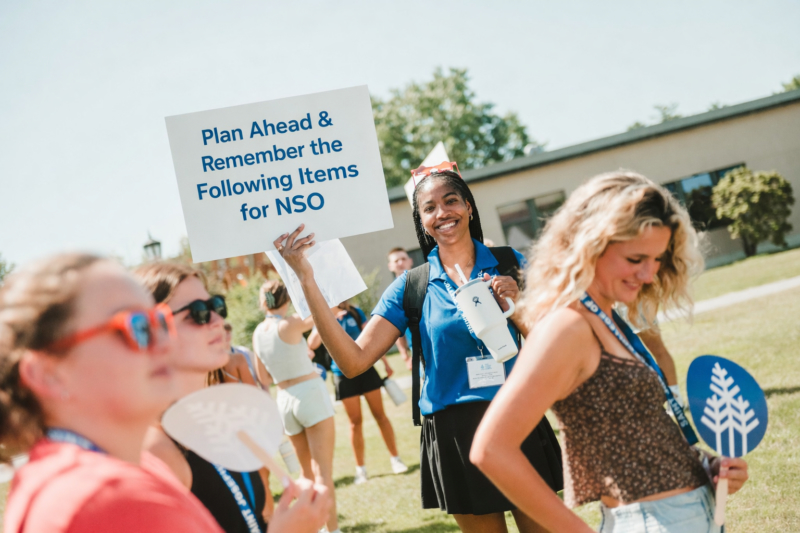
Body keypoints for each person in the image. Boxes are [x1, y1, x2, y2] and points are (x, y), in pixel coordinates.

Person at [274, 167, 563, 533]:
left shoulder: (512, 264)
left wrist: (518, 305)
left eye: (451, 201)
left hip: (518, 414)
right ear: (421, 220)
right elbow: (352, 362)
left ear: (469, 207)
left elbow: (555, 345)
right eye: (429, 207)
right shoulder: (411, 286)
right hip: (455, 430)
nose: (442, 213)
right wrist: (307, 281)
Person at [471, 171, 750, 533]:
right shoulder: (567, 326)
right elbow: (491, 449)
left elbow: (630, 428)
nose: (649, 274)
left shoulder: (605, 315)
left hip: (696, 511)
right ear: (591, 246)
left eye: (657, 259)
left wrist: (703, 466)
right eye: (636, 259)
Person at [0, 253, 221, 532]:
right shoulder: (107, 496)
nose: (166, 342)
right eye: (138, 327)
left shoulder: (75, 476)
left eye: (160, 322)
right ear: (48, 374)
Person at [136, 263, 330, 533]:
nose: (217, 320)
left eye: (216, 305)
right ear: (149, 332)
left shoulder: (217, 417)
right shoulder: (156, 450)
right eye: (198, 313)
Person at [252, 280, 341, 533]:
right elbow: (331, 310)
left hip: (284, 400)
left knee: (305, 474)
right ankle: (333, 530)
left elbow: (264, 377)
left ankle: (314, 529)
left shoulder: (258, 332)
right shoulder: (290, 323)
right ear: (287, 298)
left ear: (263, 302)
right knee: (323, 471)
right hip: (309, 394)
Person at [308, 301, 408, 485]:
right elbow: (312, 343)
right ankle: (360, 470)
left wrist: (385, 363)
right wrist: (325, 317)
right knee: (355, 422)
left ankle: (396, 459)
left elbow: (372, 337)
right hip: (342, 375)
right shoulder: (323, 315)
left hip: (367, 369)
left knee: (380, 415)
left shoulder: (355, 312)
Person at [386, 248, 414, 370]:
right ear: (390, 266)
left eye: (403, 259)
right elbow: (396, 330)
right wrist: (405, 356)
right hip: (418, 350)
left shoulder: (428, 283)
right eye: (396, 260)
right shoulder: (392, 295)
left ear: (410, 261)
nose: (400, 262)